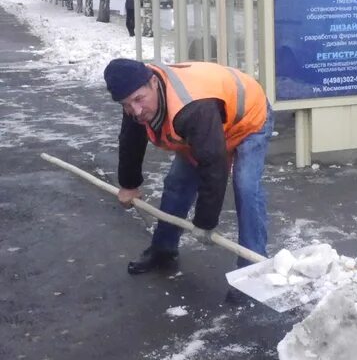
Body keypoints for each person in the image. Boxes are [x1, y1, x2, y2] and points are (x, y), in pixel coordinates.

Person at [103, 58, 274, 275]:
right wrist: (128, 184)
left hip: (248, 118)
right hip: (209, 125)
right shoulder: (135, 95)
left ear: (154, 83)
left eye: (138, 100)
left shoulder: (192, 108)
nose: (135, 111)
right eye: (127, 104)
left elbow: (213, 166)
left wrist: (205, 222)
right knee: (177, 182)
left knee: (246, 186)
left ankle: (253, 269)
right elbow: (131, 139)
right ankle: (162, 250)